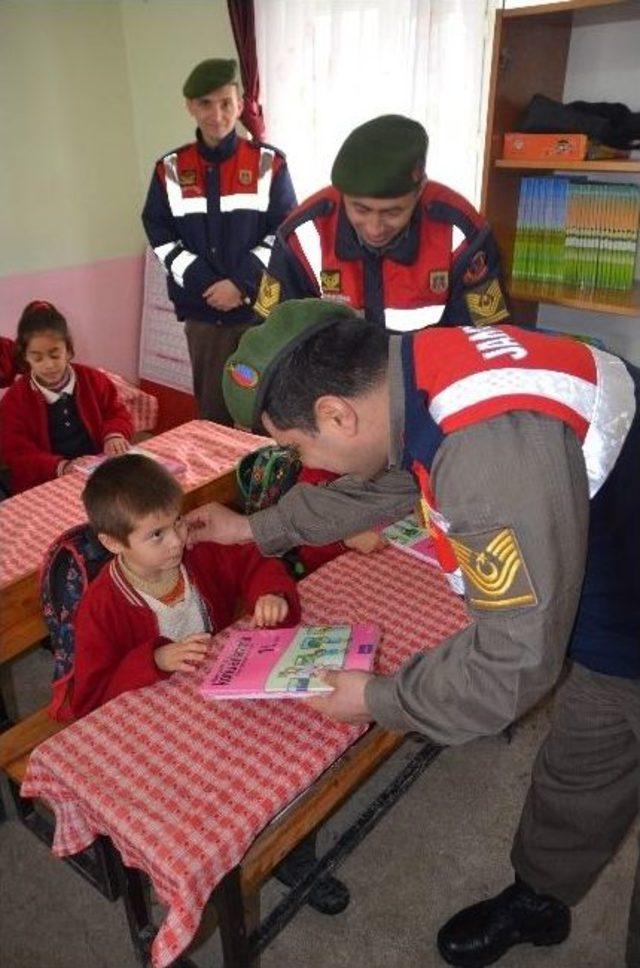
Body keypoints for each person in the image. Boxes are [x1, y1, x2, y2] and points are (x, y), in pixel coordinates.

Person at [191, 298, 639, 966]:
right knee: (585, 757)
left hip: (624, 600)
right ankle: (543, 894)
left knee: (591, 750)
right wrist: (257, 528)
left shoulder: (486, 459)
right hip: (615, 562)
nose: (305, 459)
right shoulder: (419, 366)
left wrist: (376, 700)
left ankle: (547, 902)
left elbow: (509, 665)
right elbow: (390, 480)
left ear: (337, 414)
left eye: (296, 446)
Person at [75, 452, 349, 916]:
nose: (177, 541)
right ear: (112, 542)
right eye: (155, 535)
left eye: (178, 523)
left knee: (295, 751)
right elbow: (91, 698)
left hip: (221, 696)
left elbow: (255, 562)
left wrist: (270, 594)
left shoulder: (196, 550)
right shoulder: (101, 606)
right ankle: (215, 866)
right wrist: (154, 659)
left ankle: (292, 854)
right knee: (219, 802)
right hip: (159, 729)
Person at [142, 58, 297, 425]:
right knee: (214, 416)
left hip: (259, 312)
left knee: (266, 415)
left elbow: (283, 233)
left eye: (226, 102)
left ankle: (269, 484)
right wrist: (205, 282)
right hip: (203, 314)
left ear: (240, 104)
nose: (217, 114)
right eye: (205, 104)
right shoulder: (170, 169)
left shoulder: (269, 163)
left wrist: (241, 285)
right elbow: (160, 234)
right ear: (190, 107)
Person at [253, 114, 508, 332]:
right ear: (341, 194)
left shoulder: (461, 232)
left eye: (392, 212)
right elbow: (272, 338)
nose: (375, 228)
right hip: (335, 385)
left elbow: (486, 340)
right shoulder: (302, 233)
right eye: (360, 209)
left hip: (429, 381)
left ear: (420, 191)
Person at [0, 301, 133, 494]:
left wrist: (114, 435)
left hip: (98, 469)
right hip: (46, 481)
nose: (48, 365)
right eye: (37, 358)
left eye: (55, 355)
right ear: (25, 358)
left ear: (68, 351)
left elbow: (117, 412)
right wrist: (61, 466)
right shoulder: (15, 400)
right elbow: (17, 452)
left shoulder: (94, 380)